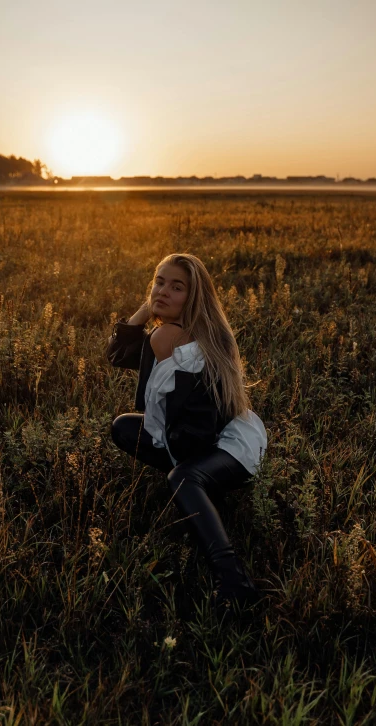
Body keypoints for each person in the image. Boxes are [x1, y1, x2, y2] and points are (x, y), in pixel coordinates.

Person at [106, 253, 268, 617]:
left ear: (194, 297)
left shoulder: (198, 348)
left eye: (176, 287)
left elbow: (202, 433)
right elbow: (117, 355)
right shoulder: (163, 335)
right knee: (123, 427)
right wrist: (146, 311)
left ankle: (234, 580)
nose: (163, 291)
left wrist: (183, 467)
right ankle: (198, 492)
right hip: (189, 437)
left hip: (230, 445)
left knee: (182, 476)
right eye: (158, 281)